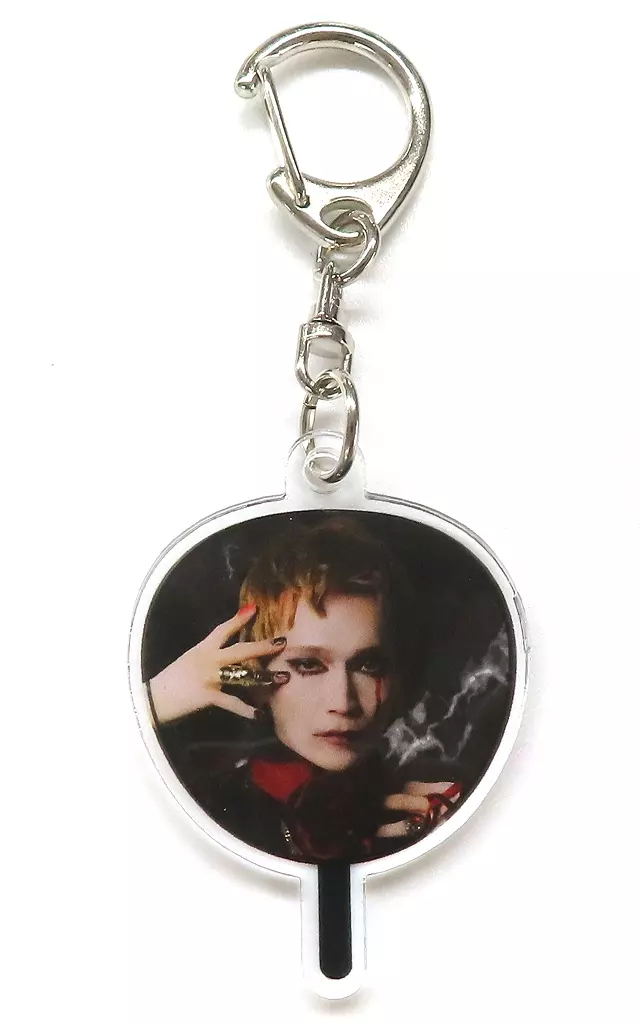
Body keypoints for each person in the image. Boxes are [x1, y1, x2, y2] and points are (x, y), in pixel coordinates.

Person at [148, 515, 461, 862]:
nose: (343, 702)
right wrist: (151, 702)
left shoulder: (427, 811)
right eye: (309, 665)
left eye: (368, 665)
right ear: (255, 675)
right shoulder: (195, 808)